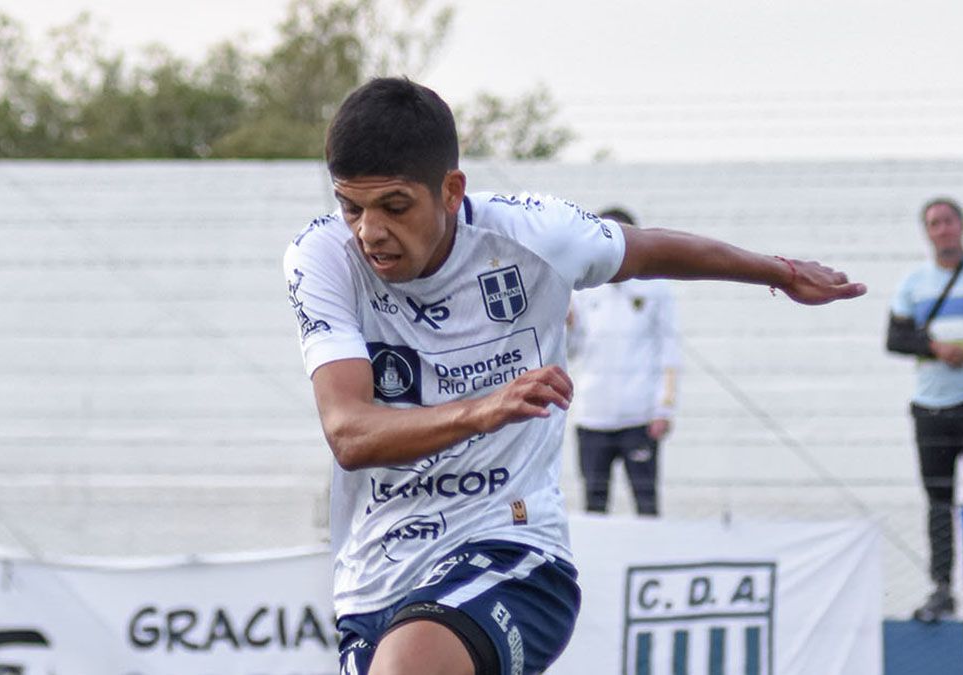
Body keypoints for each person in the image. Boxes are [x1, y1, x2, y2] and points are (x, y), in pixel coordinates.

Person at [283, 77, 864, 675]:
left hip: (511, 551)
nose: (369, 231)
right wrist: (482, 410)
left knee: (409, 666)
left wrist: (781, 271)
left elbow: (651, 250)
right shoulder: (323, 258)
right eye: (351, 207)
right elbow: (350, 433)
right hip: (374, 583)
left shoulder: (532, 235)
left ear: (451, 191)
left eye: (395, 206)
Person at [886, 197, 963, 623]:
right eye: (934, 223)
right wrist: (934, 348)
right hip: (931, 407)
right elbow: (894, 339)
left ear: (962, 226)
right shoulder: (914, 283)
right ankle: (942, 589)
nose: (942, 229)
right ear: (927, 233)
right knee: (938, 500)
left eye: (948, 221)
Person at [567, 207, 679, 516]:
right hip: (593, 416)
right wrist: (567, 325)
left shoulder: (656, 288)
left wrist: (664, 409)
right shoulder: (581, 289)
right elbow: (571, 351)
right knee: (594, 504)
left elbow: (669, 350)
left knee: (646, 503)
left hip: (639, 416)